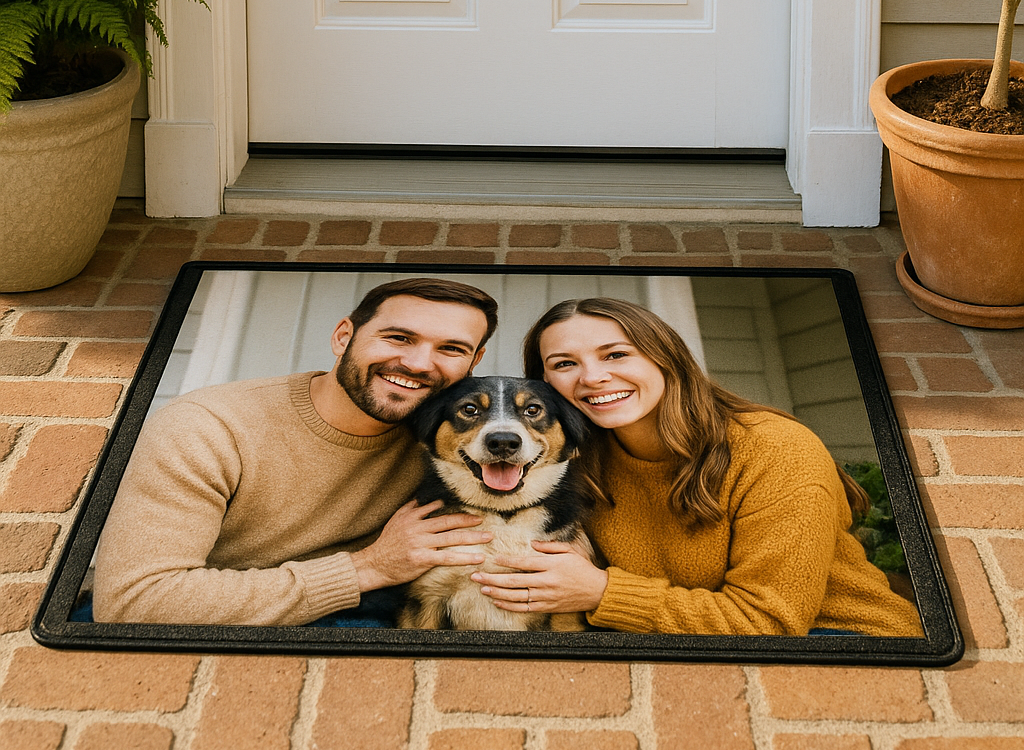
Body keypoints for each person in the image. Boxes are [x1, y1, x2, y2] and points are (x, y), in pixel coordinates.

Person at [469, 297, 924, 637]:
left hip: (838, 642)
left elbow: (771, 622)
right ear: (544, 385)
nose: (592, 377)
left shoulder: (774, 448)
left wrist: (602, 593)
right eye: (565, 363)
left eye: (616, 354)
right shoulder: (565, 459)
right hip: (671, 642)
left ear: (665, 358)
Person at [93, 276, 499, 627]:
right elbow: (135, 601)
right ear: (344, 337)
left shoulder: (462, 443)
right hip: (206, 624)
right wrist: (369, 566)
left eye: (451, 349)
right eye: (398, 337)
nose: (416, 363)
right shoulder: (208, 425)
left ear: (474, 361)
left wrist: (567, 582)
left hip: (365, 615)